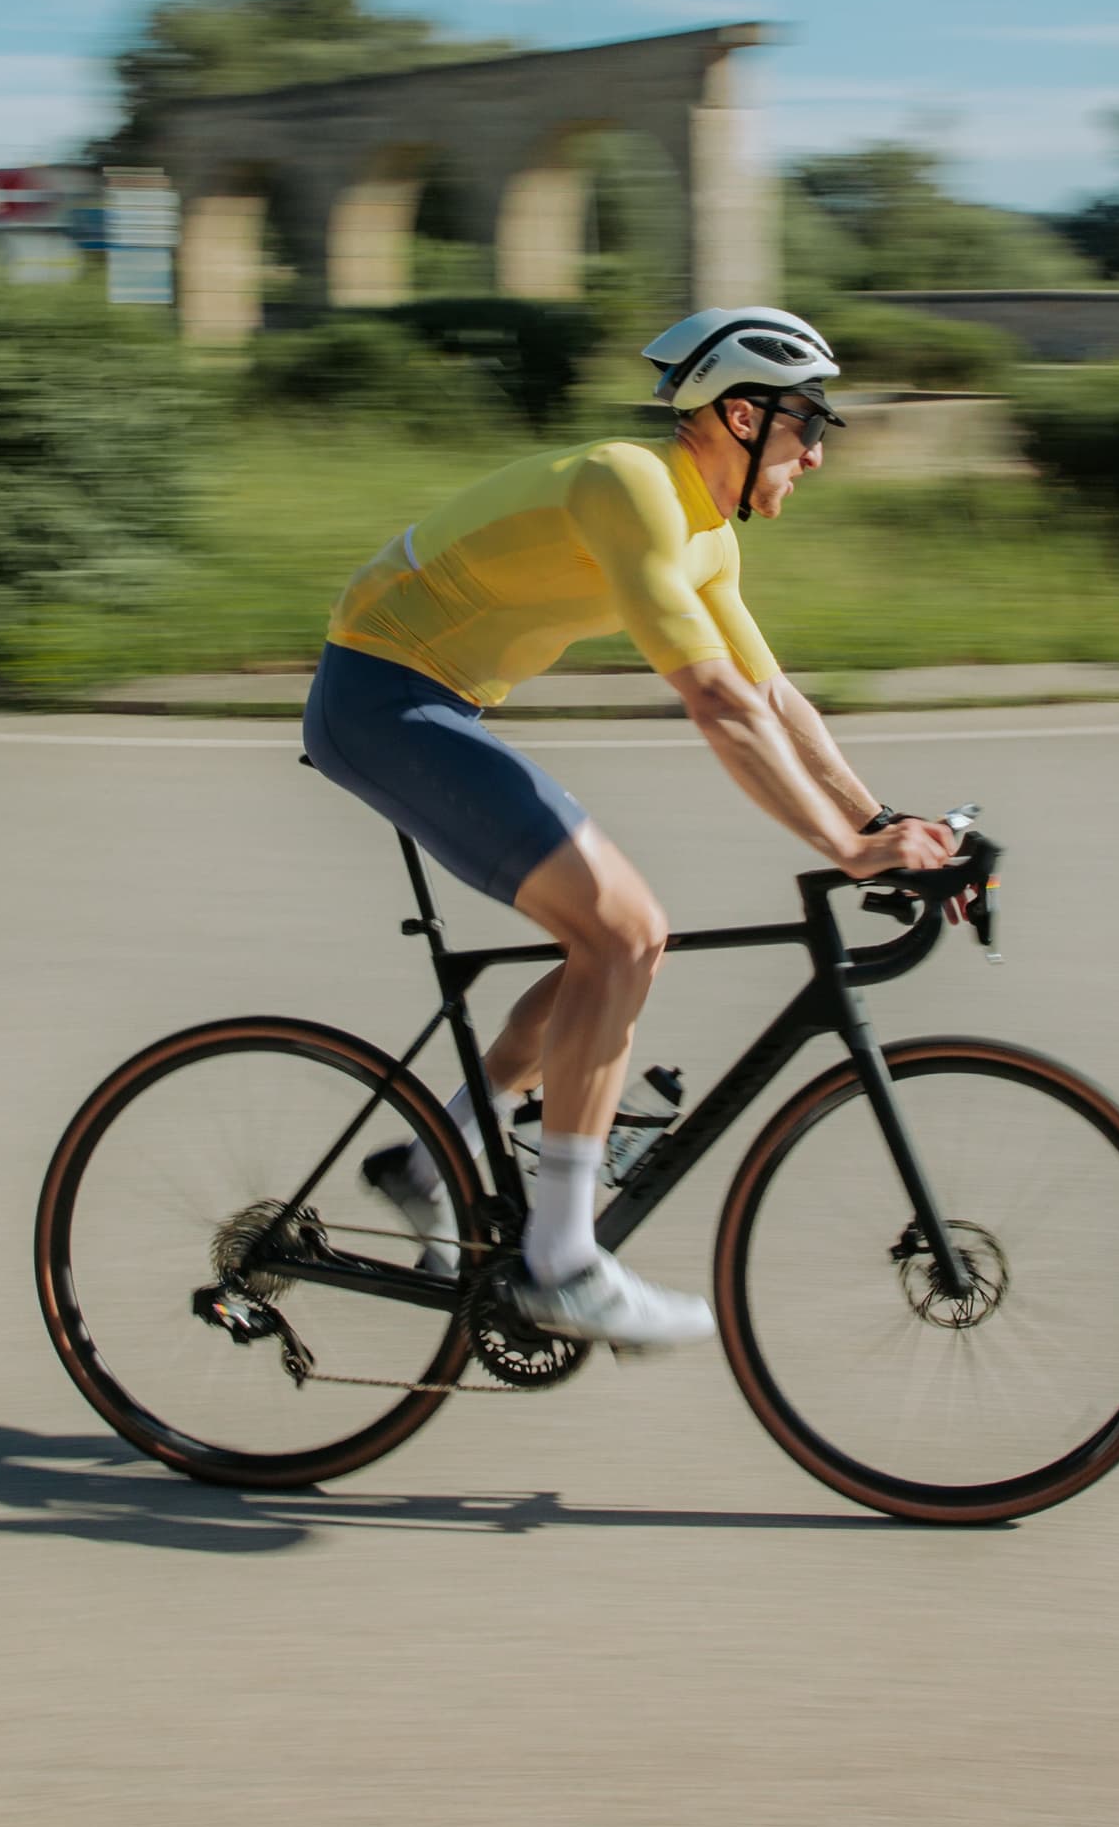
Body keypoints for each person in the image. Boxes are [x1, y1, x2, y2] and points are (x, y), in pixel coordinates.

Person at [300, 305, 960, 1349]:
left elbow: (776, 699)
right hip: (381, 699)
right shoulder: (632, 487)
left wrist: (884, 819)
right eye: (809, 424)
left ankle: (431, 1160)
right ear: (741, 415)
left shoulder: (704, 537)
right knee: (625, 930)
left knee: (613, 946)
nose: (820, 454)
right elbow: (716, 704)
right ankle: (561, 1262)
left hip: (434, 703)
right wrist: (844, 850)